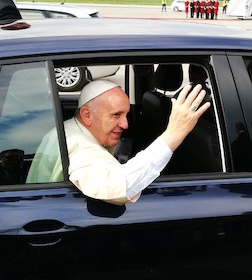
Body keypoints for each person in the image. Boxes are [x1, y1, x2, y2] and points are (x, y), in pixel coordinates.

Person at [26, 80, 210, 205]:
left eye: (126, 114)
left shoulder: (67, 128)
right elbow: (121, 186)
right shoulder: (79, 146)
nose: (125, 124)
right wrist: (174, 133)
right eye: (116, 115)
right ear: (87, 115)